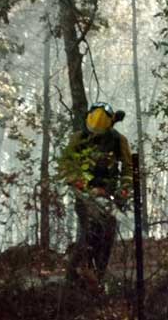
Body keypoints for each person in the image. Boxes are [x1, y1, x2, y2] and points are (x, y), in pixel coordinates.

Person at [61, 102, 133, 288]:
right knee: (89, 232)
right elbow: (66, 165)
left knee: (107, 234)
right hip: (85, 195)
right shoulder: (78, 138)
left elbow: (127, 168)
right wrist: (80, 184)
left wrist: (123, 190)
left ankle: (98, 275)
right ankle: (75, 274)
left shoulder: (118, 140)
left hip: (110, 194)